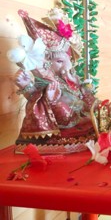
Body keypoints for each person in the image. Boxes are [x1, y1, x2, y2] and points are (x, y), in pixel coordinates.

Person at [10, 9, 97, 154]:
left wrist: (84, 89)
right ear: (46, 62)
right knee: (57, 103)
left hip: (79, 121)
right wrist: (27, 87)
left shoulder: (68, 78)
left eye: (68, 60)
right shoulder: (47, 79)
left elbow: (83, 102)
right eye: (59, 61)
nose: (66, 66)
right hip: (60, 126)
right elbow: (35, 96)